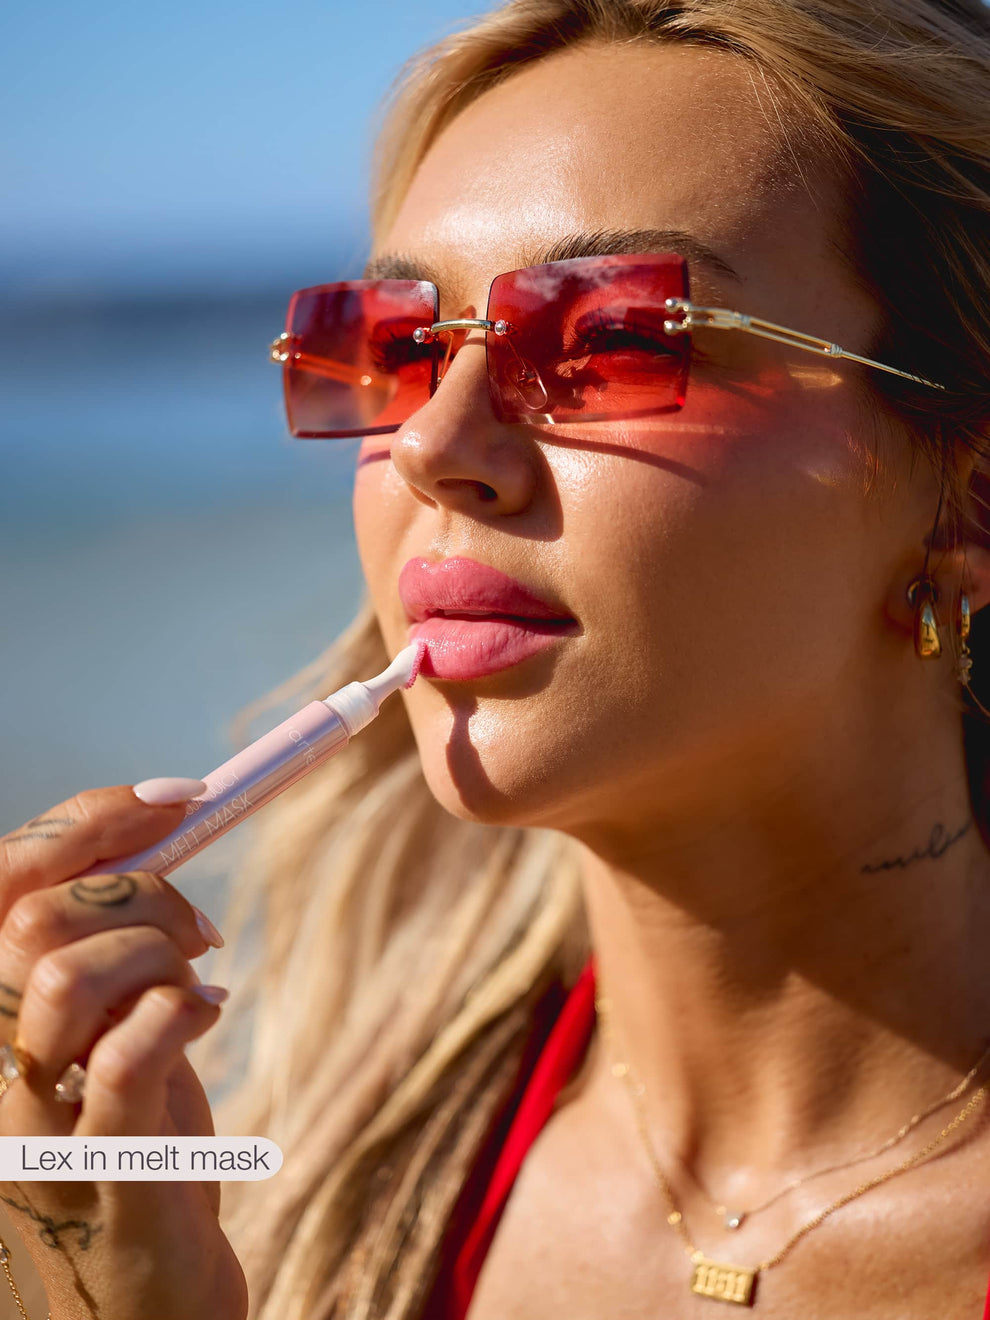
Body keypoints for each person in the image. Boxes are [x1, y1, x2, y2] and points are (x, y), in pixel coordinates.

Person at [2, 0, 990, 1316]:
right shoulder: (282, 1175)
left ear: (964, 497)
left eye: (611, 339)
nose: (431, 445)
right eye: (396, 347)